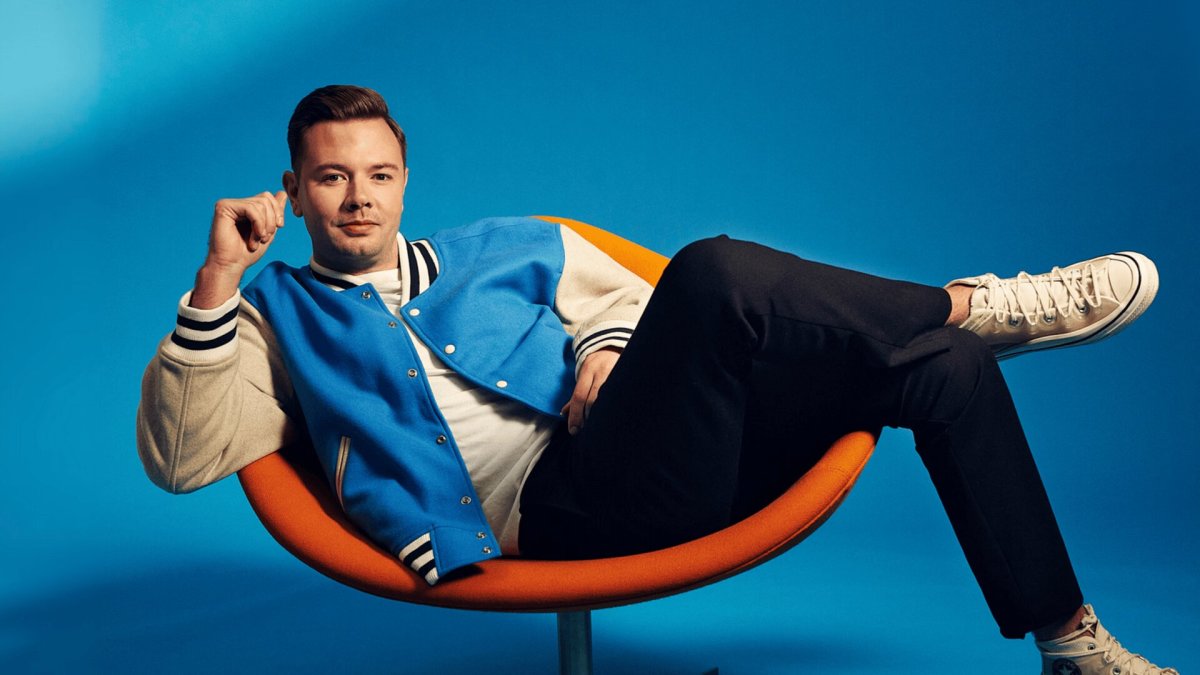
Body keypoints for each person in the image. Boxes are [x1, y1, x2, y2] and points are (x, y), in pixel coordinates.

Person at [137, 84, 1177, 675]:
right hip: (557, 512)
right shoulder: (271, 317)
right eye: (331, 177)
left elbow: (632, 311)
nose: (359, 198)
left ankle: (1070, 643)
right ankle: (965, 302)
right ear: (295, 191)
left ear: (406, 178)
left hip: (656, 453)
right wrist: (218, 277)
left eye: (378, 174)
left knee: (943, 372)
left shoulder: (508, 245)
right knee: (714, 269)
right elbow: (182, 460)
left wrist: (601, 353)